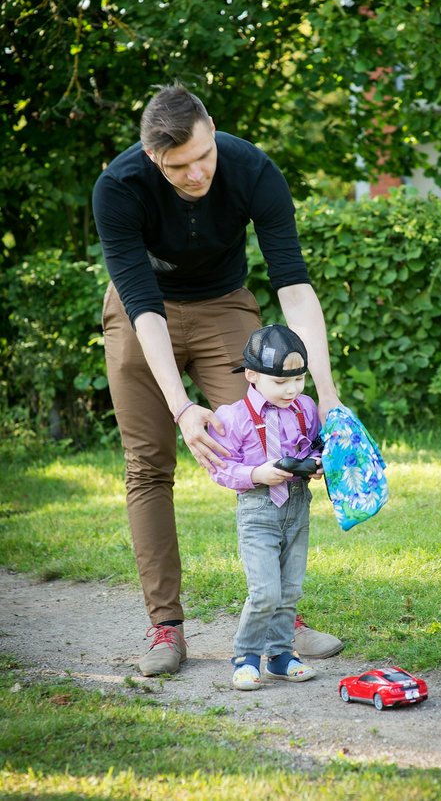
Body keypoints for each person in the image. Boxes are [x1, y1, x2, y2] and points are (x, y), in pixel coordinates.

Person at [92, 83, 343, 676]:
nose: (198, 172)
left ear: (212, 130)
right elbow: (144, 309)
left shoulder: (252, 169)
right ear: (153, 157)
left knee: (277, 445)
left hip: (224, 303)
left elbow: (293, 286)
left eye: (204, 155)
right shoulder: (118, 187)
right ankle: (166, 627)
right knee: (148, 465)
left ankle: (281, 620)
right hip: (141, 312)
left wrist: (328, 398)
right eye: (179, 166)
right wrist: (182, 408)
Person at [208, 324, 321, 690]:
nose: (292, 390)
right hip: (258, 511)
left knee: (290, 590)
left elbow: (313, 445)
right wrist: (257, 473)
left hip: (297, 507)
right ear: (252, 376)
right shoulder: (232, 417)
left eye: (299, 380)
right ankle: (246, 657)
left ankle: (280, 655)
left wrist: (315, 462)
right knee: (265, 593)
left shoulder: (305, 408)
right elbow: (221, 467)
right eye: (281, 382)